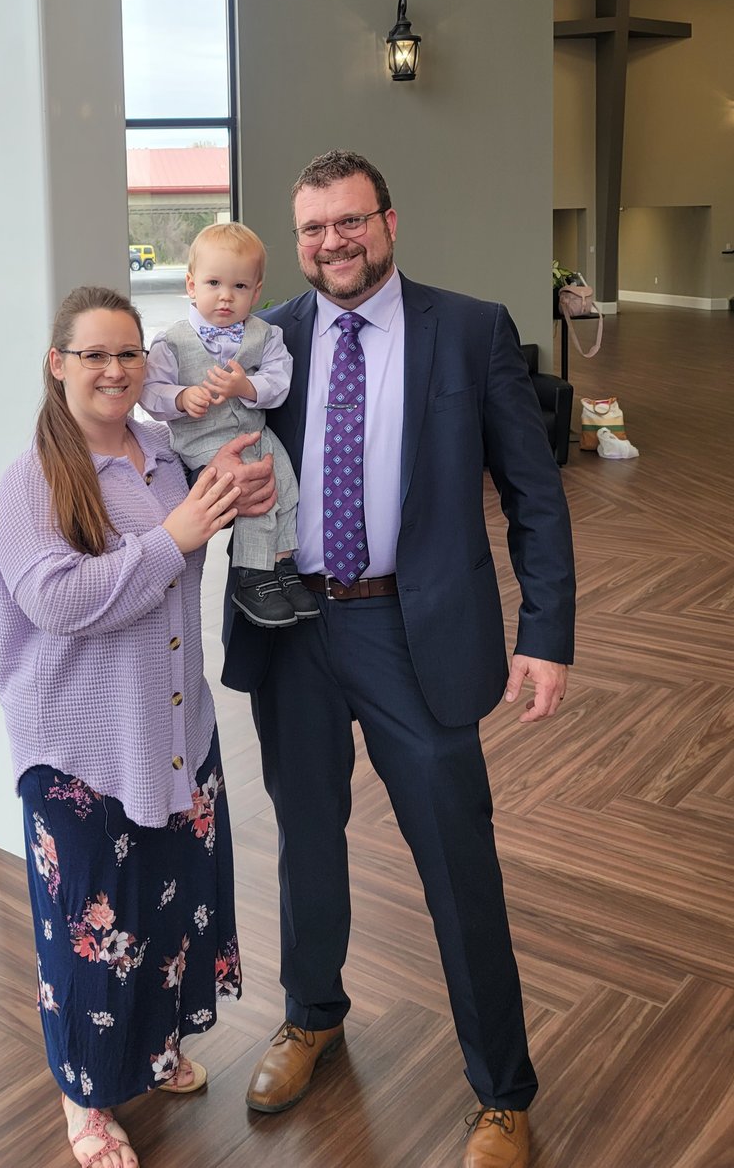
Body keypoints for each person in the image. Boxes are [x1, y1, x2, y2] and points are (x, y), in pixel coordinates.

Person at [219, 151, 575, 1168]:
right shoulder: (270, 339)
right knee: (305, 838)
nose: (332, 242)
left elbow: (534, 497)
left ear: (388, 220)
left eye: (350, 221)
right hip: (292, 626)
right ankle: (312, 1015)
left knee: (457, 860)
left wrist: (544, 632)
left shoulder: (468, 328)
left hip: (411, 633)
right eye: (313, 228)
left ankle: (502, 1091)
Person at [0, 286, 268, 1168]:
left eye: (129, 353)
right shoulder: (30, 481)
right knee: (90, 936)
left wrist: (227, 495)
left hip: (175, 727)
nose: (115, 370)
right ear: (57, 363)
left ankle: (150, 1049)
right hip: (83, 749)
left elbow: (178, 570)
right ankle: (84, 1100)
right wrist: (174, 534)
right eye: (95, 354)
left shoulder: (158, 451)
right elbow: (58, 600)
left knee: (170, 908)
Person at [141, 221, 319, 629]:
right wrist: (181, 398)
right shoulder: (173, 341)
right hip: (204, 443)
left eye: (239, 287)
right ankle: (252, 577)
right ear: (191, 285)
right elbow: (151, 391)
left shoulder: (266, 335)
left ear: (256, 292)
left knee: (287, 487)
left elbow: (279, 382)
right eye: (214, 283)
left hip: (257, 434)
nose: (226, 296)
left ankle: (281, 564)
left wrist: (247, 386)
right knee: (252, 493)